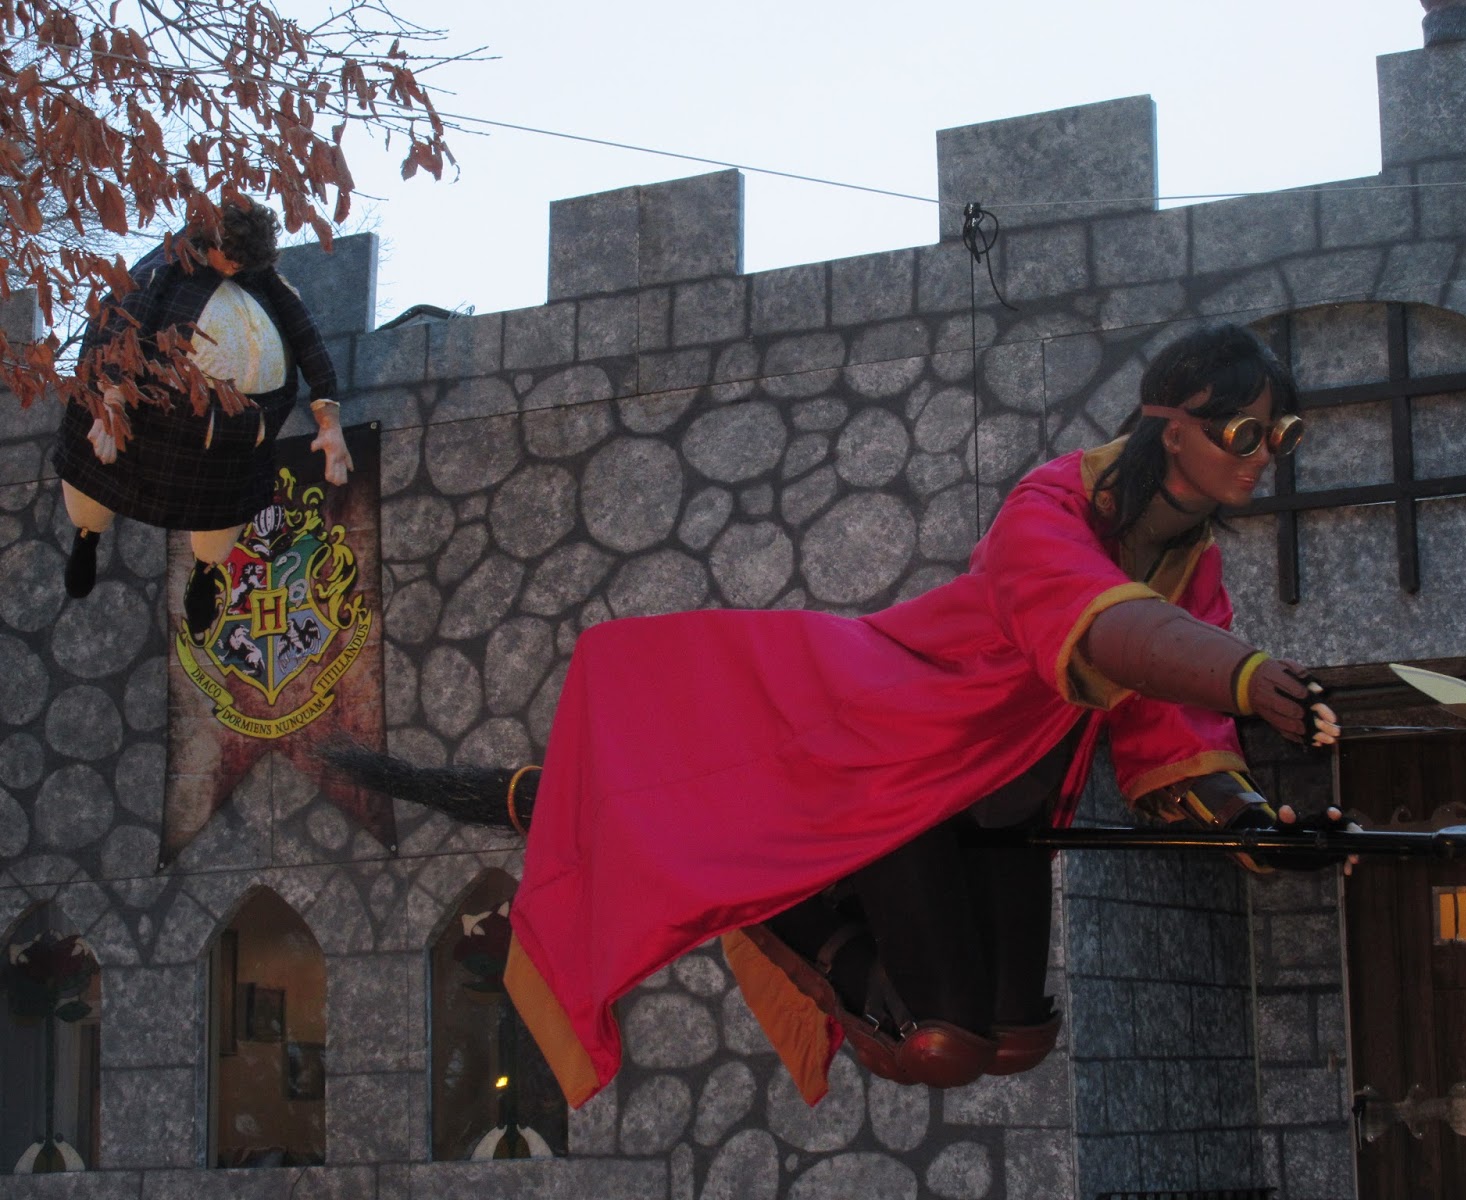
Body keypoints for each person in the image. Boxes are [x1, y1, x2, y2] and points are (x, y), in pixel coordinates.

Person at [330, 322, 1342, 1108]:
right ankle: (776, 903)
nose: (1265, 455)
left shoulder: (1192, 571)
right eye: (1246, 432)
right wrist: (1242, 676)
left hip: (1006, 799)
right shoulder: (1051, 508)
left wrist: (1258, 829)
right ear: (1174, 428)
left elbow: (1172, 736)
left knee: (1017, 1040)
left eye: (1280, 435)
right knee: (940, 1045)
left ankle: (772, 864)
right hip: (898, 764)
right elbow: (1099, 626)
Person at [54, 198, 353, 644]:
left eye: (242, 264)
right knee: (99, 479)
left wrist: (329, 422)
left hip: (235, 438)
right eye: (228, 258)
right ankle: (86, 538)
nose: (233, 269)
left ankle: (206, 574)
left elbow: (306, 337)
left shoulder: (259, 276)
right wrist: (112, 400)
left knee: (222, 511)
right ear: (207, 240)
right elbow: (124, 320)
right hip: (152, 417)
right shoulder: (164, 266)